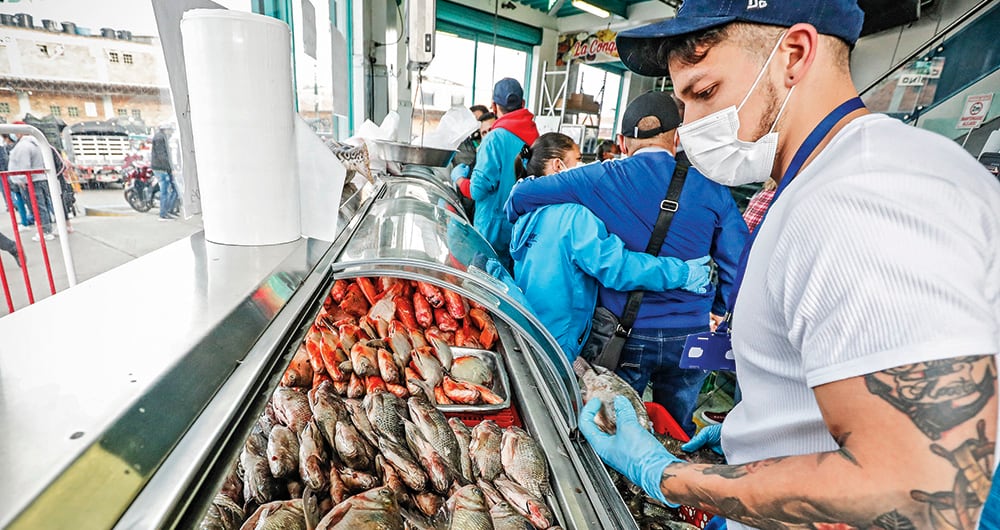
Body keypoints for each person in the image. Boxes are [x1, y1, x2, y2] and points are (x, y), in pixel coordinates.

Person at [579, 1, 1000, 529]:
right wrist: (760, 431)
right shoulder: (835, 177)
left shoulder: (865, 196)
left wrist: (666, 475)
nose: (688, 128)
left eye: (705, 92)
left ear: (794, 54)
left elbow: (921, 490)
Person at [506, 91, 748, 436]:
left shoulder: (601, 178)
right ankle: (669, 480)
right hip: (693, 333)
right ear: (677, 138)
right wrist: (718, 307)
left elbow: (521, 196)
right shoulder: (712, 186)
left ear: (621, 142)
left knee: (621, 427)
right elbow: (738, 262)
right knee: (674, 428)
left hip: (628, 333)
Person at [510, 132, 712, 360]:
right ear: (558, 166)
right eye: (578, 159)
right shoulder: (574, 216)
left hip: (532, 323)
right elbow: (618, 268)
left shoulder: (526, 212)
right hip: (559, 338)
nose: (583, 166)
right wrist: (681, 273)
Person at [455, 78, 538, 270]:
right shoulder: (536, 138)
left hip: (492, 233)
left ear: (493, 106)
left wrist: (459, 178)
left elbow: (477, 190)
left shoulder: (494, 138)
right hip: (522, 230)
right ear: (523, 104)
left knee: (485, 289)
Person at [8, 126, 55, 241]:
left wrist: (21, 179)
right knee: (42, 205)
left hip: (31, 180)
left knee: (37, 206)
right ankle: (47, 228)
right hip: (40, 178)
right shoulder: (36, 143)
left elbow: (24, 165)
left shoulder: (24, 146)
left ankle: (45, 231)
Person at [3, 134, 33, 232]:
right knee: (31, 200)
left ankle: (25, 221)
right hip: (21, 178)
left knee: (20, 201)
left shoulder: (8, 149)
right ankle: (32, 219)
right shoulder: (19, 146)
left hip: (15, 179)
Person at [151, 124, 177, 220]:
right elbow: (162, 155)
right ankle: (164, 213)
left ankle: (166, 211)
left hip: (161, 168)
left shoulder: (160, 137)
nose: (171, 132)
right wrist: (170, 168)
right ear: (166, 130)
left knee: (166, 191)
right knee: (165, 191)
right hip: (161, 168)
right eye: (170, 130)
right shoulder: (160, 138)